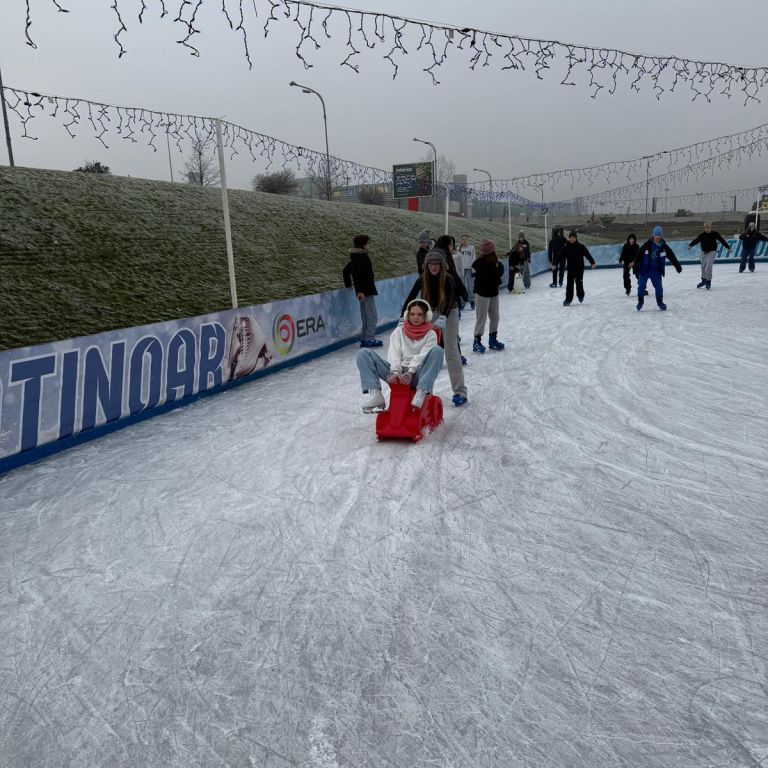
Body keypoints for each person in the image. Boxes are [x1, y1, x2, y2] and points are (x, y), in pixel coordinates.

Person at [402, 250, 468, 407]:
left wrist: (444, 316)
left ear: (442, 265)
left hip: (449, 312)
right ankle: (423, 389)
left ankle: (460, 391)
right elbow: (411, 297)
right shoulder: (422, 279)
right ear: (426, 265)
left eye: (437, 264)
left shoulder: (448, 279)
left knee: (451, 350)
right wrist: (402, 315)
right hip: (430, 313)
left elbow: (451, 298)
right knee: (424, 351)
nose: (433, 267)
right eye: (431, 264)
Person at [357, 299, 444, 413]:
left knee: (438, 350)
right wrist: (395, 372)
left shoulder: (430, 334)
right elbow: (394, 353)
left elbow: (422, 356)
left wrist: (410, 373)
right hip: (397, 372)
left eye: (419, 314)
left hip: (417, 374)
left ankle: (422, 391)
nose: (415, 317)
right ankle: (376, 394)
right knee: (363, 353)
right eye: (412, 314)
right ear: (407, 315)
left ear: (426, 316)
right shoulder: (399, 331)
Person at [342, 234, 382, 347]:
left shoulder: (355, 257)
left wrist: (349, 286)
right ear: (363, 245)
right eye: (367, 243)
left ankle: (364, 338)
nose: (369, 246)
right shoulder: (363, 258)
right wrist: (360, 291)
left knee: (365, 317)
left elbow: (346, 271)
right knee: (372, 317)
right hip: (366, 292)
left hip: (362, 292)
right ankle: (369, 339)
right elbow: (359, 275)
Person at [631, 226, 682, 311]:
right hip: (644, 270)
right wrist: (635, 268)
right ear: (653, 235)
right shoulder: (647, 245)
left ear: (661, 236)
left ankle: (660, 302)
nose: (658, 237)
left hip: (656, 271)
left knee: (659, 288)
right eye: (656, 235)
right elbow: (638, 256)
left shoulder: (664, 246)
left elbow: (671, 256)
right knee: (641, 287)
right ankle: (640, 302)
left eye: (659, 235)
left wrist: (677, 266)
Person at [471, 239, 505, 353]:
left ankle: (492, 339)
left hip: (493, 293)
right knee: (481, 318)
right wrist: (499, 264)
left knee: (495, 317)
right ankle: (477, 341)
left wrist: (499, 264)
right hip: (482, 294)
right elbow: (496, 273)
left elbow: (499, 273)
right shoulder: (479, 263)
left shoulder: (494, 262)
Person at [688, 221, 731, 290]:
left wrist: (728, 247)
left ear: (711, 227)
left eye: (708, 227)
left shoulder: (715, 234)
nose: (707, 228)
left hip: (712, 252)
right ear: (704, 227)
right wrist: (690, 245)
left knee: (708, 266)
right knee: (703, 267)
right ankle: (704, 280)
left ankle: (708, 281)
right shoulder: (702, 235)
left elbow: (722, 240)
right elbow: (696, 240)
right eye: (705, 227)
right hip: (703, 252)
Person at [561, 230, 596, 305]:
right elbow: (560, 256)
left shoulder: (581, 246)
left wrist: (592, 262)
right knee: (569, 284)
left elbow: (587, 254)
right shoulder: (566, 247)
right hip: (570, 268)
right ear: (569, 238)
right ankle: (568, 299)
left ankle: (580, 295)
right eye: (571, 237)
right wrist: (554, 263)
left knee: (579, 283)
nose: (572, 238)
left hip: (579, 269)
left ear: (576, 238)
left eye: (573, 237)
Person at [458, 234, 477, 309]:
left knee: (470, 286)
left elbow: (473, 258)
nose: (464, 241)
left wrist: (473, 269)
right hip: (461, 269)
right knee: (462, 286)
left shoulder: (471, 248)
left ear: (468, 240)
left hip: (469, 268)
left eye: (465, 239)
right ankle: (462, 302)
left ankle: (472, 300)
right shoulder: (459, 248)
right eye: (463, 239)